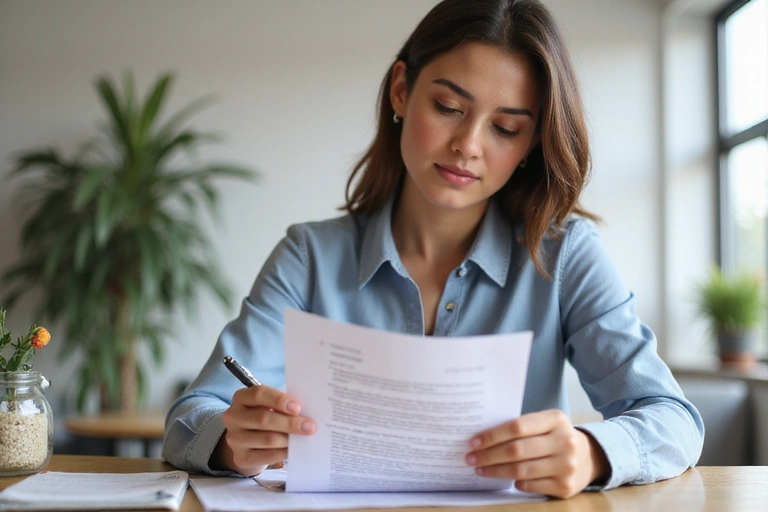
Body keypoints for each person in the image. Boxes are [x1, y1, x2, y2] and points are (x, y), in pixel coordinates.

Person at [163, 0, 704, 499]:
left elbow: (673, 419)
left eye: (506, 127)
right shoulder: (308, 257)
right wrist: (231, 443)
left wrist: (591, 454)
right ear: (401, 89)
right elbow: (191, 417)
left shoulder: (564, 256)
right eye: (448, 106)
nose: (468, 146)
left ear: (531, 143)